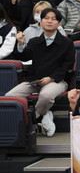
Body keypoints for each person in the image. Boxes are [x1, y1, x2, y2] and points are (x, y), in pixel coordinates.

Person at [10, 8, 75, 136]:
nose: (49, 21)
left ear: (59, 23)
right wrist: (21, 43)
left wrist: (51, 78)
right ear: (40, 21)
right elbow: (24, 57)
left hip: (57, 80)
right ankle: (45, 114)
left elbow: (67, 65)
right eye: (46, 18)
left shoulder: (67, 43)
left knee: (46, 96)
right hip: (35, 80)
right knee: (10, 97)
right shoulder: (34, 41)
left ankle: (30, 121)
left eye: (53, 19)